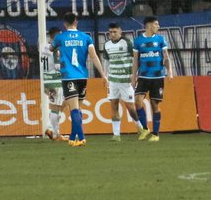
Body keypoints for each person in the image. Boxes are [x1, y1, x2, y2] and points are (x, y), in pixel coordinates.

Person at [53, 13, 106, 147]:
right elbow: (94, 57)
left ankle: (81, 137)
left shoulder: (60, 38)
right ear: (76, 22)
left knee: (74, 109)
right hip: (82, 76)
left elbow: (49, 49)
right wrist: (103, 75)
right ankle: (72, 138)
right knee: (78, 108)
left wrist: (58, 55)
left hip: (68, 77)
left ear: (65, 23)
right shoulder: (86, 38)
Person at [131, 15, 171, 142]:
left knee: (155, 105)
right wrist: (133, 76)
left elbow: (166, 56)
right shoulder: (138, 41)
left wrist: (169, 71)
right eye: (156, 24)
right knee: (137, 101)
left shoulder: (160, 39)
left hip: (157, 77)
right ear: (148, 25)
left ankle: (155, 134)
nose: (158, 26)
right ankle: (145, 128)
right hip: (143, 77)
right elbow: (135, 61)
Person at [100, 23, 140, 140]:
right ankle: (116, 134)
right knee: (114, 105)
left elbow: (135, 59)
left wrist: (134, 75)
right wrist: (105, 76)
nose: (112, 34)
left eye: (114, 32)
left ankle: (140, 127)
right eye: (110, 32)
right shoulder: (107, 45)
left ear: (120, 32)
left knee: (130, 106)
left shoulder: (127, 43)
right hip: (113, 80)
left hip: (126, 79)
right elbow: (107, 61)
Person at [40, 28, 65, 141]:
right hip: (56, 80)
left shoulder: (43, 47)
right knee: (56, 108)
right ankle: (55, 133)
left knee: (56, 106)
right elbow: (58, 66)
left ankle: (51, 129)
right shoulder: (56, 48)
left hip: (47, 79)